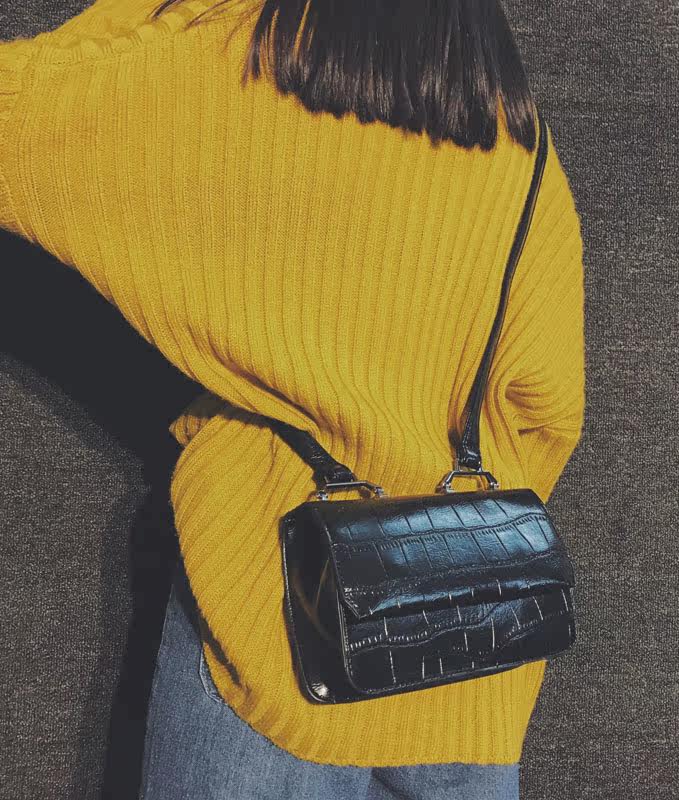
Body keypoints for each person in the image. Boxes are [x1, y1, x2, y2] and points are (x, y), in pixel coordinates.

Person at [0, 1, 586, 798]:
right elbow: (549, 411)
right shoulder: (519, 144)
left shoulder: (243, 73)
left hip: (276, 647)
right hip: (473, 672)